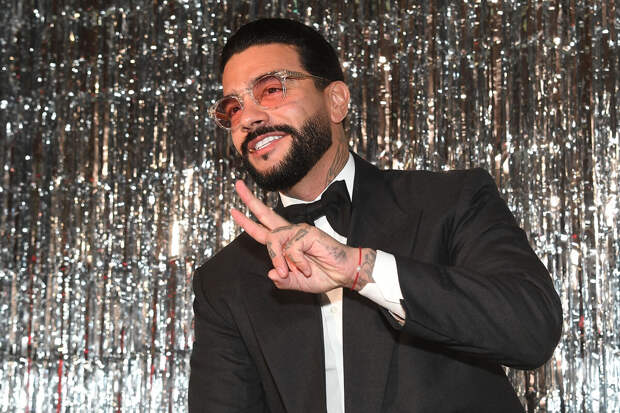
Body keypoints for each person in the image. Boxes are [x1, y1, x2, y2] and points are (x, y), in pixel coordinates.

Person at [189, 18, 562, 413]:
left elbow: (532, 329)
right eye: (233, 108)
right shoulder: (223, 280)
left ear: (336, 101)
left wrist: (360, 269)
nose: (247, 117)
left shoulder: (451, 202)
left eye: (270, 90)